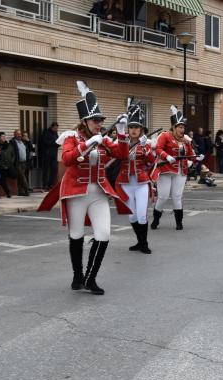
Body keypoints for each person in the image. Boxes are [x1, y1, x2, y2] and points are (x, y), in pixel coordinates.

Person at [38, 81, 129, 294]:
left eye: (101, 120)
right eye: (95, 120)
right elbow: (68, 158)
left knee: (104, 233)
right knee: (77, 234)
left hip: (98, 192)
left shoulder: (104, 138)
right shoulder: (71, 137)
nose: (99, 124)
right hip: (76, 192)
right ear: (85, 121)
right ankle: (77, 275)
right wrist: (87, 144)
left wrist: (122, 133)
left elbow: (122, 155)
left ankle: (90, 277)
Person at [150, 105, 203, 230]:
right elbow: (158, 149)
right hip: (166, 170)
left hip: (181, 170)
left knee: (177, 196)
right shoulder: (165, 136)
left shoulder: (185, 140)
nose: (182, 129)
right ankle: (156, 219)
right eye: (180, 127)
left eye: (183, 127)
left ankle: (179, 222)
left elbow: (190, 154)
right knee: (163, 196)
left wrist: (197, 158)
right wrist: (166, 156)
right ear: (173, 127)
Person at [115, 100, 154, 254]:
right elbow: (120, 155)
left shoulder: (146, 143)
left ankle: (144, 243)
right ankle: (139, 241)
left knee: (142, 215)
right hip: (126, 183)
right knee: (132, 216)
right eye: (131, 127)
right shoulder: (121, 142)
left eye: (136, 127)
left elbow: (151, 162)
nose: (133, 130)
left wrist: (145, 148)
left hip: (141, 182)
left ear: (141, 130)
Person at [0, 132, 16, 198]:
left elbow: (13, 154)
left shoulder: (9, 145)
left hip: (9, 165)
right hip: (1, 166)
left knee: (14, 175)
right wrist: (1, 164)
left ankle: (6, 174)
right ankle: (8, 193)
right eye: (2, 137)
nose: (4, 138)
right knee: (2, 180)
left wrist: (11, 162)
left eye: (4, 136)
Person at [40, 122, 60, 190]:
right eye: (55, 128)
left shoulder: (55, 133)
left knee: (54, 170)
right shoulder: (46, 133)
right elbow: (45, 142)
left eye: (57, 128)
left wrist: (57, 143)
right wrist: (55, 143)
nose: (56, 129)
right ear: (52, 127)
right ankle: (44, 185)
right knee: (46, 170)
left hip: (54, 155)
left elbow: (58, 142)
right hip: (47, 154)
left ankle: (50, 184)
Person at [11, 129, 30, 196]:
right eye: (17, 134)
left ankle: (20, 191)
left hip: (24, 162)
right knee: (22, 176)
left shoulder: (23, 141)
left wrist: (28, 141)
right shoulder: (12, 142)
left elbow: (31, 148)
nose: (19, 135)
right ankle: (27, 190)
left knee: (20, 177)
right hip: (17, 163)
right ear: (14, 134)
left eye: (20, 134)